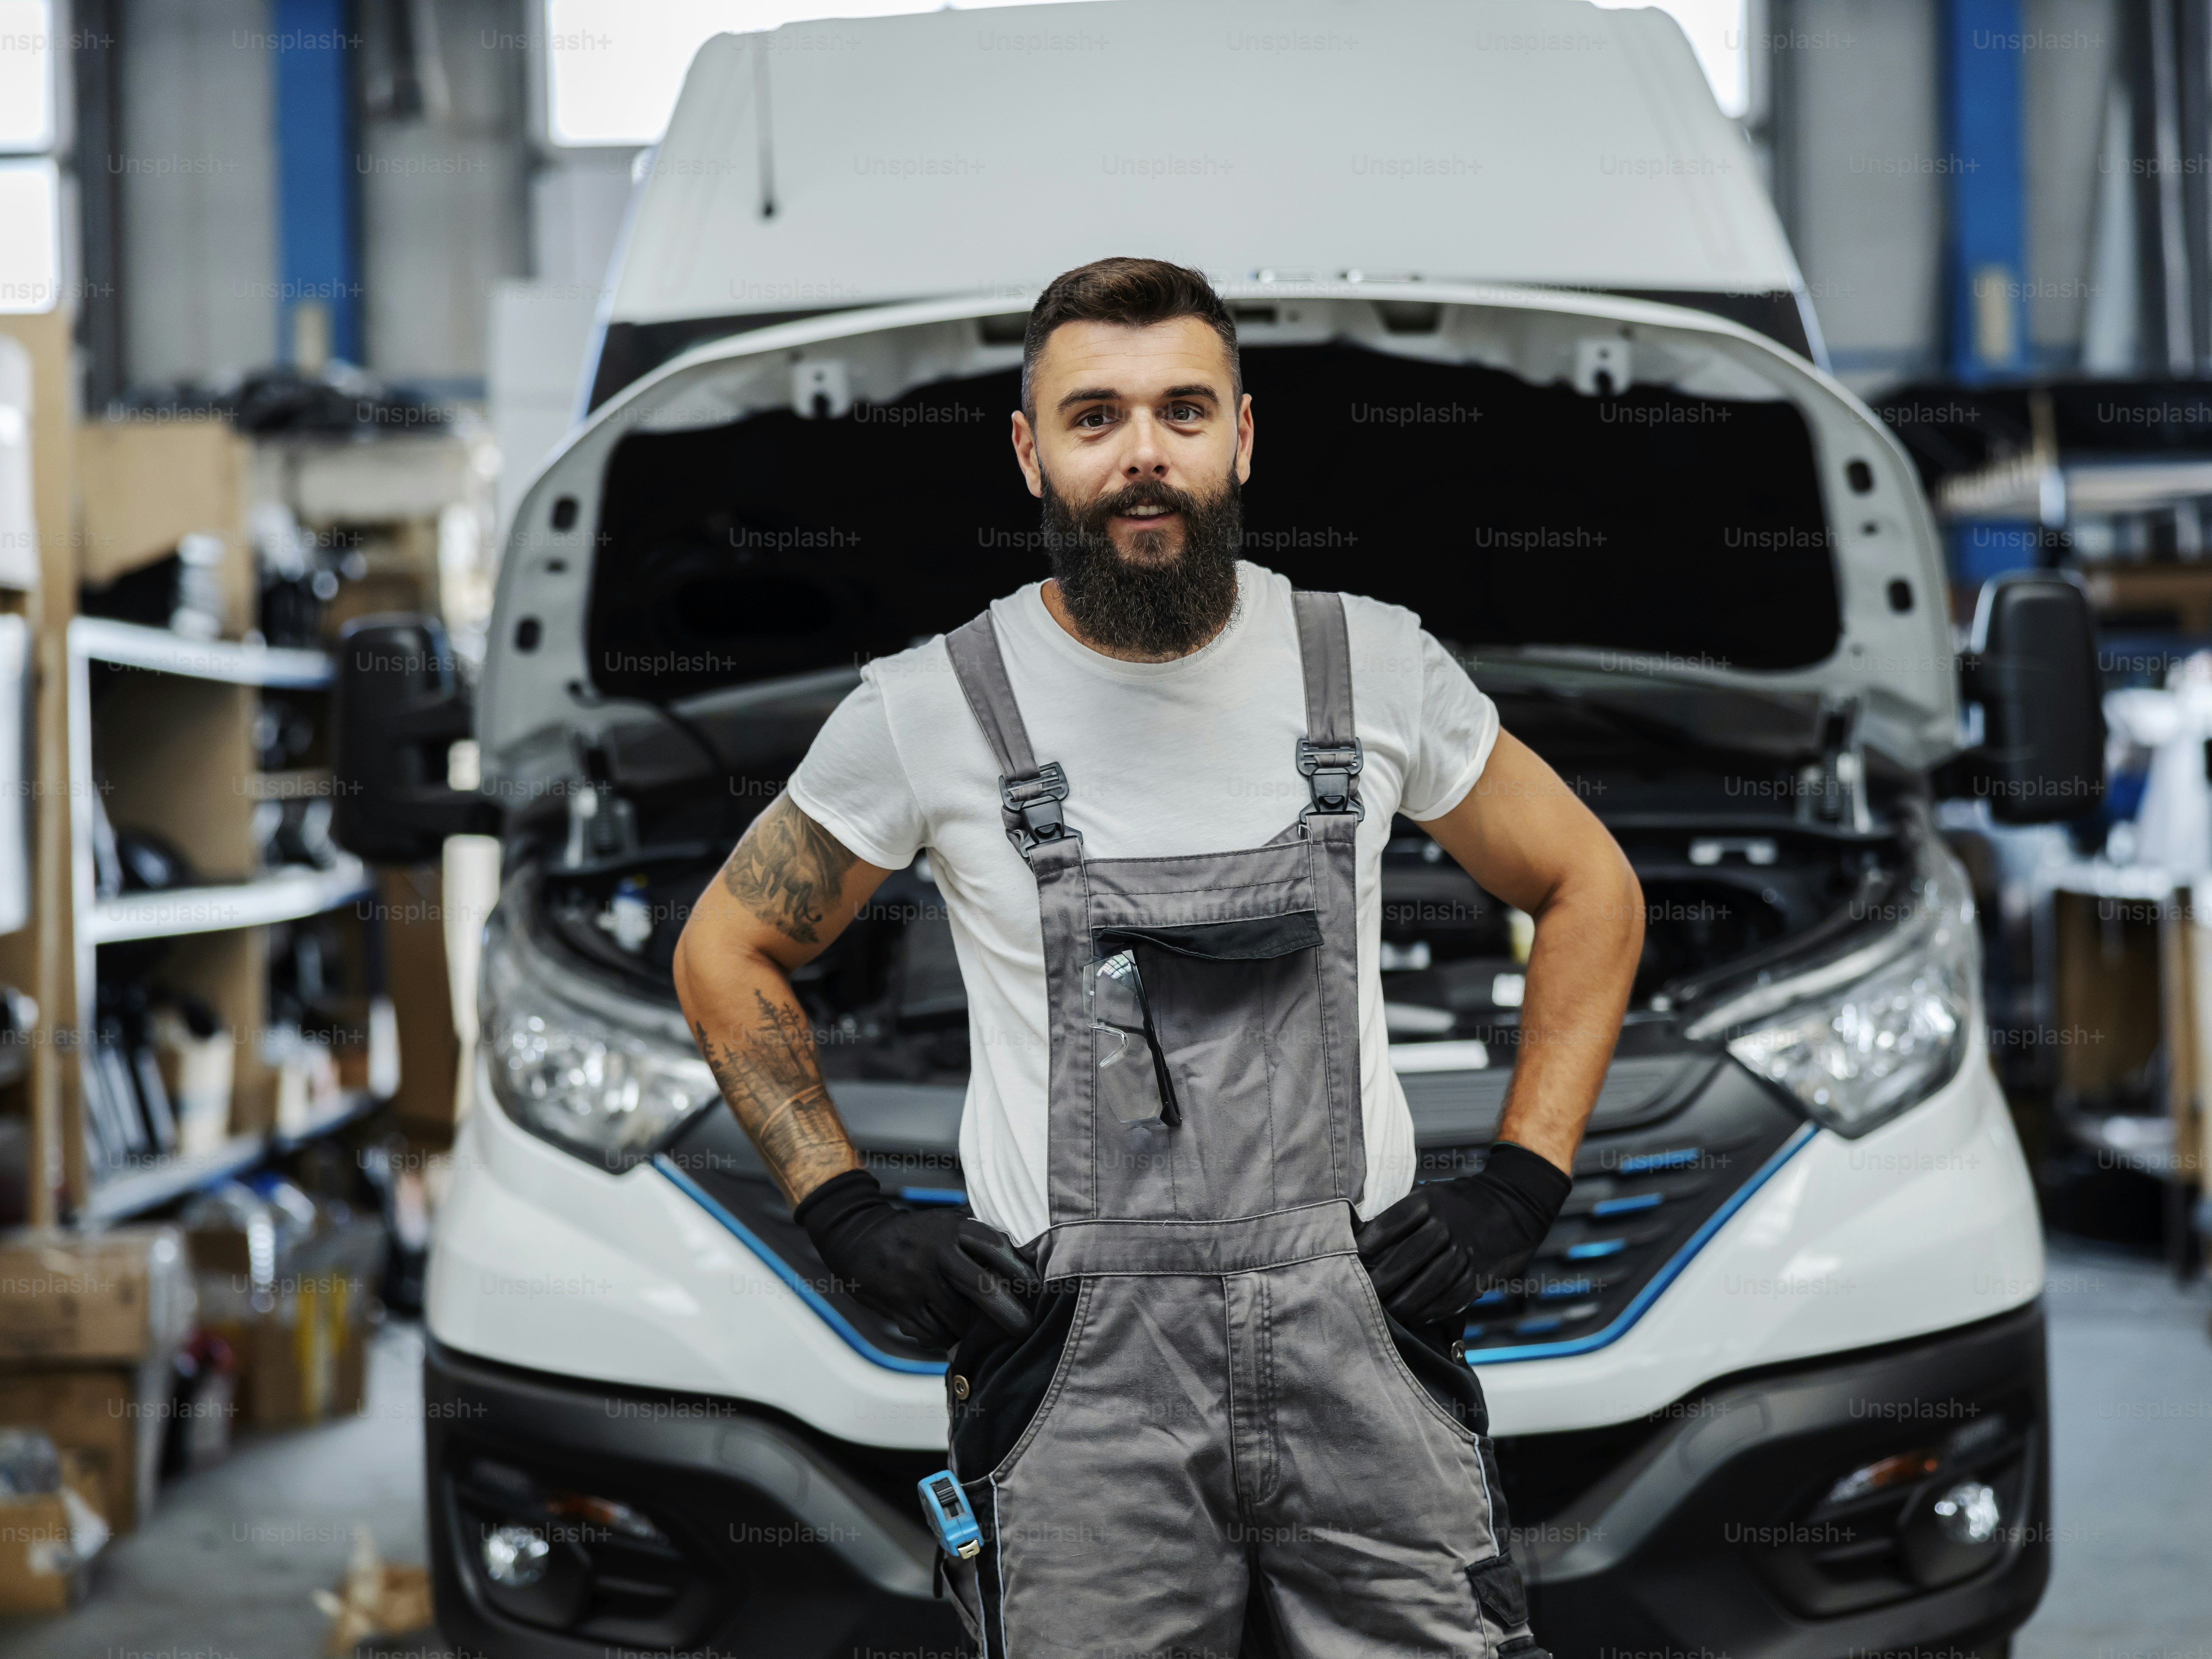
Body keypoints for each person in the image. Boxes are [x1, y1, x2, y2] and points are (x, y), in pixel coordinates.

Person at [673, 256, 1643, 1659]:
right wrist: (847, 1216)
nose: (1144, 454)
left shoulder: (1371, 665)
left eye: (1184, 412)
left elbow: (1589, 886)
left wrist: (1523, 1183)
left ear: (1243, 436)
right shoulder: (931, 706)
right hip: (1082, 1378)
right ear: (1031, 454)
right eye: (1095, 417)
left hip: (1359, 1345)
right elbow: (728, 947)